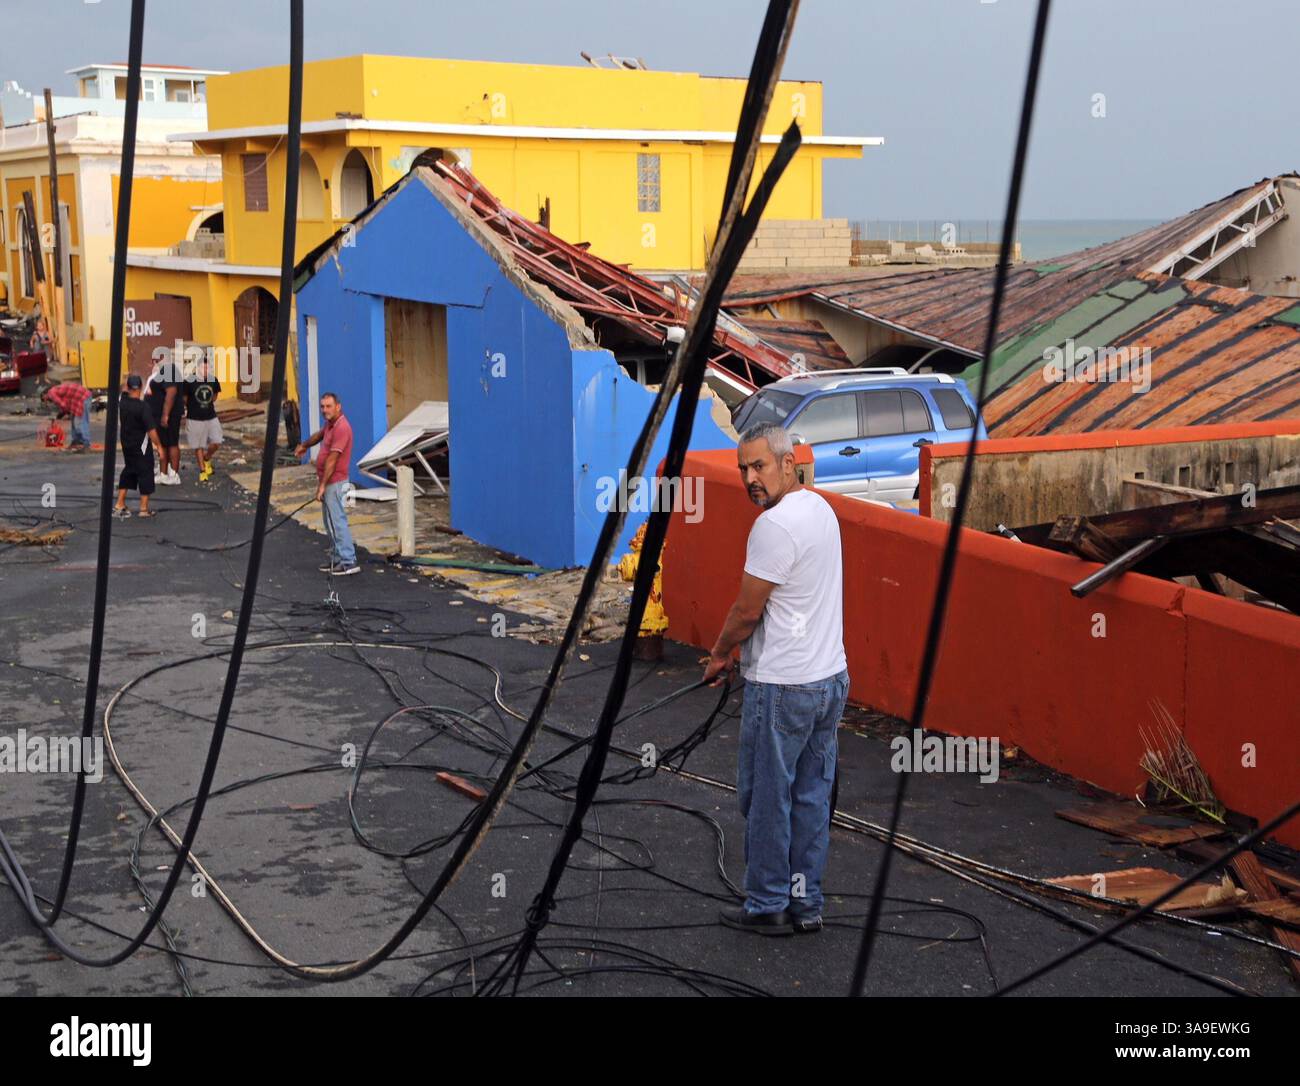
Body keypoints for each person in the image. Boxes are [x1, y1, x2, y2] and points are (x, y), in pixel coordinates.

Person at [703, 422, 849, 937]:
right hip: (829, 679)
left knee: (767, 797)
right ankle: (805, 904)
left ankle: (766, 904)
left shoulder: (774, 526)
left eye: (759, 466)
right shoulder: (821, 510)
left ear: (789, 463)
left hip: (784, 686)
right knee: (811, 796)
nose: (749, 478)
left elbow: (747, 610)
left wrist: (720, 654)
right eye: (743, 468)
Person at [294, 392, 359, 576]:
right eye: (322, 406)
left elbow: (332, 459)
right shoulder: (331, 424)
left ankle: (349, 561)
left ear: (338, 406)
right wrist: (304, 445)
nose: (325, 410)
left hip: (336, 482)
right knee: (330, 522)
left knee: (338, 521)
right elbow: (319, 436)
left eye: (328, 406)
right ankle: (338, 558)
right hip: (330, 482)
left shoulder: (342, 428)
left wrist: (322, 485)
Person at [114, 374, 164, 519]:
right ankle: (143, 509)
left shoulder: (122, 402)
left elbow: (123, 391)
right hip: (141, 446)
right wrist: (159, 446)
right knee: (145, 472)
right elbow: (151, 431)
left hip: (126, 443)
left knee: (129, 470)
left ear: (128, 388)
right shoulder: (143, 407)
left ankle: (120, 503)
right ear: (141, 388)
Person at [144, 355, 183, 485]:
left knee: (171, 442)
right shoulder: (161, 372)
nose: (154, 362)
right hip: (159, 415)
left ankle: (174, 475)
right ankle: (163, 473)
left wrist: (165, 415)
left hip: (169, 415)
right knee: (163, 444)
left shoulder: (169, 369)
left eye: (157, 360)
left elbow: (171, 392)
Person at [184, 358, 223, 482]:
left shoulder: (213, 380)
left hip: (211, 415)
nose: (205, 370)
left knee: (217, 441)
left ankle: (207, 458)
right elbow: (184, 397)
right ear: (197, 368)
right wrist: (193, 406)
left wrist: (207, 403)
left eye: (207, 368)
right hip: (194, 417)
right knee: (198, 445)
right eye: (203, 368)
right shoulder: (189, 381)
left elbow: (215, 395)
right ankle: (202, 471)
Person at [41, 380, 93, 452]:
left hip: (83, 398)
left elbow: (62, 404)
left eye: (44, 399)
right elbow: (65, 403)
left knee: (81, 423)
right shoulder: (55, 390)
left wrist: (63, 414)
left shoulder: (51, 393)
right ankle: (76, 442)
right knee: (75, 423)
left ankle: (86, 444)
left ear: (44, 394)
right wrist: (64, 413)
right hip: (79, 399)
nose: (47, 401)